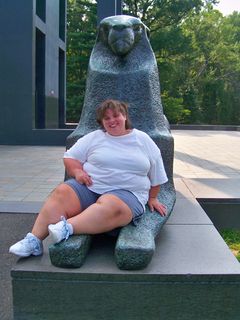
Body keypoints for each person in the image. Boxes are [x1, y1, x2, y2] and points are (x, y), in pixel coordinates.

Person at [9, 99, 168, 257]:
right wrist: (77, 172)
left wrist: (152, 198)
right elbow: (70, 157)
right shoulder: (94, 137)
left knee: (112, 205)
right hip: (91, 187)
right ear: (102, 122)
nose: (112, 120)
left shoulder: (143, 139)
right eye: (107, 118)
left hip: (127, 194)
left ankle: (66, 228)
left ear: (125, 116)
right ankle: (34, 240)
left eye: (116, 116)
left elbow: (157, 172)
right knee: (62, 192)